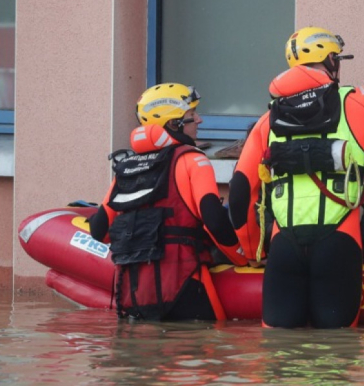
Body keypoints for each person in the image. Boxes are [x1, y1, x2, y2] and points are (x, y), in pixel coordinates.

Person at [227, 22, 364, 329]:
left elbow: (239, 193)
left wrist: (252, 250)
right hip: (339, 241)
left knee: (278, 354)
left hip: (284, 246)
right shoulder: (357, 103)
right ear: (331, 62)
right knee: (336, 351)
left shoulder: (268, 121)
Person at [88, 83, 248, 321]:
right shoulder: (193, 160)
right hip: (185, 282)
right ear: (174, 124)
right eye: (192, 115)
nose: (200, 120)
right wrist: (243, 258)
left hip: (136, 290)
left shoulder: (127, 169)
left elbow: (99, 231)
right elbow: (214, 221)